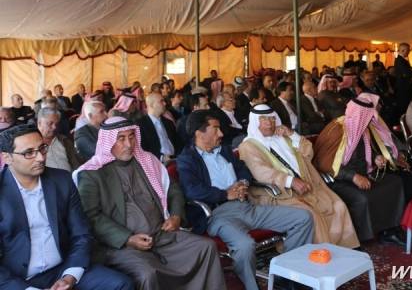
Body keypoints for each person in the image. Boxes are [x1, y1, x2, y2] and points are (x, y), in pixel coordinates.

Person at [74, 117, 226, 290]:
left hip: (161, 234)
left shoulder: (146, 161)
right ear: (108, 142)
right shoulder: (92, 173)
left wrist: (176, 215)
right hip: (121, 246)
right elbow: (90, 216)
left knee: (206, 247)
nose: (129, 144)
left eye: (131, 137)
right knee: (148, 274)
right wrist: (127, 238)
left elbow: (173, 189)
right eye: (121, 139)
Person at [177, 112, 314, 290]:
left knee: (303, 218)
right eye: (216, 129)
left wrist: (242, 183)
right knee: (245, 245)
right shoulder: (187, 159)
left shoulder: (225, 150)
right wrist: (225, 194)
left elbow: (244, 171)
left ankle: (286, 275)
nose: (221, 133)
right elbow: (192, 190)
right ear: (199, 133)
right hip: (218, 215)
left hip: (247, 207)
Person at [0, 125, 134, 290]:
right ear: (7, 157)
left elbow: (81, 234)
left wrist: (70, 276)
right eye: (29, 153)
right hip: (18, 280)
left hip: (64, 268)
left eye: (42, 148)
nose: (40, 158)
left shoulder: (61, 180)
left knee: (121, 284)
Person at [238, 104, 359, 248]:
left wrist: (291, 134)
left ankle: (345, 249)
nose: (269, 123)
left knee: (338, 205)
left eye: (272, 119)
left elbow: (308, 152)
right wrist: (291, 181)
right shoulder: (248, 146)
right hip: (278, 194)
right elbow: (261, 172)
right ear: (255, 122)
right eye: (263, 119)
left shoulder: (283, 137)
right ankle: (322, 254)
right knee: (312, 215)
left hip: (306, 186)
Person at [313, 93, 409, 245]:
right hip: (339, 180)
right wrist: (353, 177)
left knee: (395, 183)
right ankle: (362, 239)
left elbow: (366, 151)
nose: (371, 120)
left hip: (363, 174)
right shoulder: (337, 130)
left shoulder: (362, 129)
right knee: (363, 198)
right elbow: (324, 163)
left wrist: (376, 158)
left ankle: (389, 230)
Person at [137, 93, 181, 162]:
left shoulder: (168, 122)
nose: (165, 103)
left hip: (176, 159)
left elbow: (178, 143)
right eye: (161, 101)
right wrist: (161, 157)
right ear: (151, 105)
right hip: (157, 162)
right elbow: (142, 149)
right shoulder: (141, 125)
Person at [37, 107, 82, 171]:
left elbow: (76, 163)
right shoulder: (32, 145)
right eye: (50, 123)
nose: (54, 127)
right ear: (39, 123)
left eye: (57, 124)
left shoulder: (64, 140)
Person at [393, 42, 412, 114]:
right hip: (402, 86)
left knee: (404, 104)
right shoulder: (399, 60)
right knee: (403, 105)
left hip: (403, 86)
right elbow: (407, 73)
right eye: (408, 50)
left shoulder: (402, 60)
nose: (409, 52)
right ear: (403, 50)